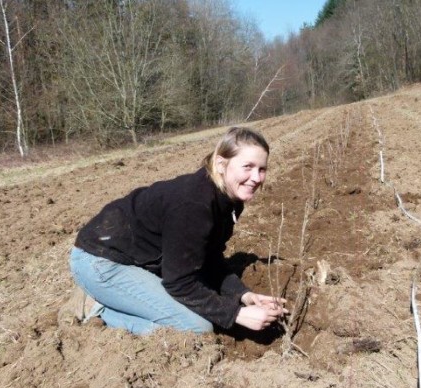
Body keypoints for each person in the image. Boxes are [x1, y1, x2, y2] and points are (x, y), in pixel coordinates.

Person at [69, 127, 288, 335]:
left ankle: (114, 297)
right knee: (194, 327)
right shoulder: (194, 205)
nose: (257, 178)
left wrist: (243, 295)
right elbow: (179, 283)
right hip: (102, 262)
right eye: (248, 167)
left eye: (262, 169)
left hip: (137, 259)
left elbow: (207, 257)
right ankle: (96, 308)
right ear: (221, 164)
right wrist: (237, 314)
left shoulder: (229, 200)